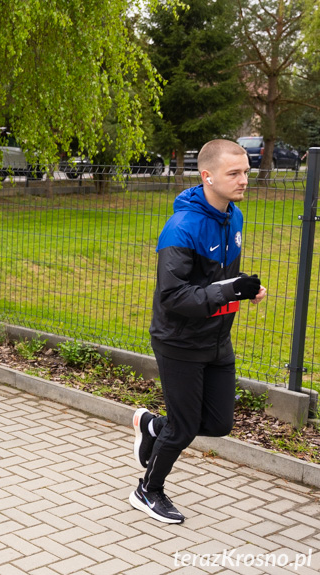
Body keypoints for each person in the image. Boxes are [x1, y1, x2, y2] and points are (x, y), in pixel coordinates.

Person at [129, 139, 267, 524]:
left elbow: (220, 278)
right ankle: (147, 490)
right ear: (207, 176)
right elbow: (173, 296)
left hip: (217, 338)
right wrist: (229, 289)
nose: (243, 180)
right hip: (179, 340)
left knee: (220, 422)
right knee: (185, 426)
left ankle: (153, 426)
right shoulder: (182, 227)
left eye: (246, 172)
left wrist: (247, 288)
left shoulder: (233, 218)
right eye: (234, 173)